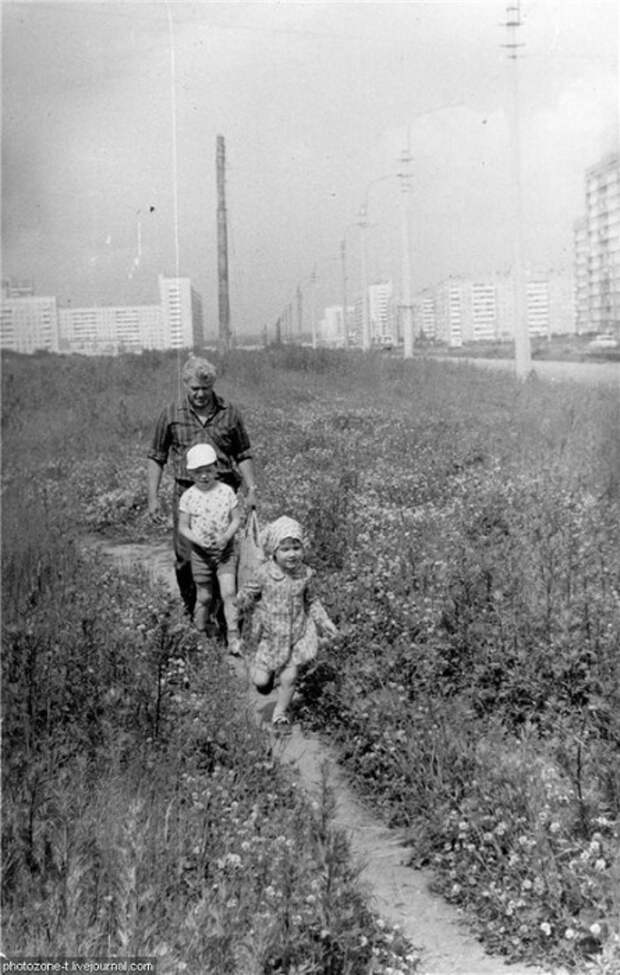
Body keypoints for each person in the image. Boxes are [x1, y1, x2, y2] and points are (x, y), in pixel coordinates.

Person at [147, 356, 257, 617]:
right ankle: (193, 612)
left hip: (223, 494)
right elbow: (156, 456)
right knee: (187, 557)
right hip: (187, 495)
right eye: (194, 388)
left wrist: (251, 490)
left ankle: (223, 615)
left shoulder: (229, 413)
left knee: (224, 554)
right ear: (186, 385)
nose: (200, 394)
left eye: (205, 388)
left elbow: (243, 454)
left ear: (212, 385)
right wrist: (152, 497)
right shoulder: (172, 414)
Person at [236, 515, 338, 728]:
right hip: (267, 638)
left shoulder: (305, 573)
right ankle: (266, 675)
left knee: (290, 677)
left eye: (296, 548)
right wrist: (243, 601)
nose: (292, 554)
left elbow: (312, 600)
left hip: (295, 635)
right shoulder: (263, 573)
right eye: (285, 549)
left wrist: (324, 621)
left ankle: (280, 714)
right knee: (261, 682)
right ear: (273, 551)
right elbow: (248, 592)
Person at [178, 443, 242, 654]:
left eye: (208, 470)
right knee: (204, 597)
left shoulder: (226, 492)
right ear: (190, 472)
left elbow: (236, 520)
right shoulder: (188, 496)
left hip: (225, 552)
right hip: (201, 554)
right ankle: (200, 632)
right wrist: (197, 540)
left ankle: (233, 636)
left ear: (216, 468)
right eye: (198, 472)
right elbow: (183, 527)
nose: (204, 476)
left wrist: (226, 536)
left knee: (229, 593)